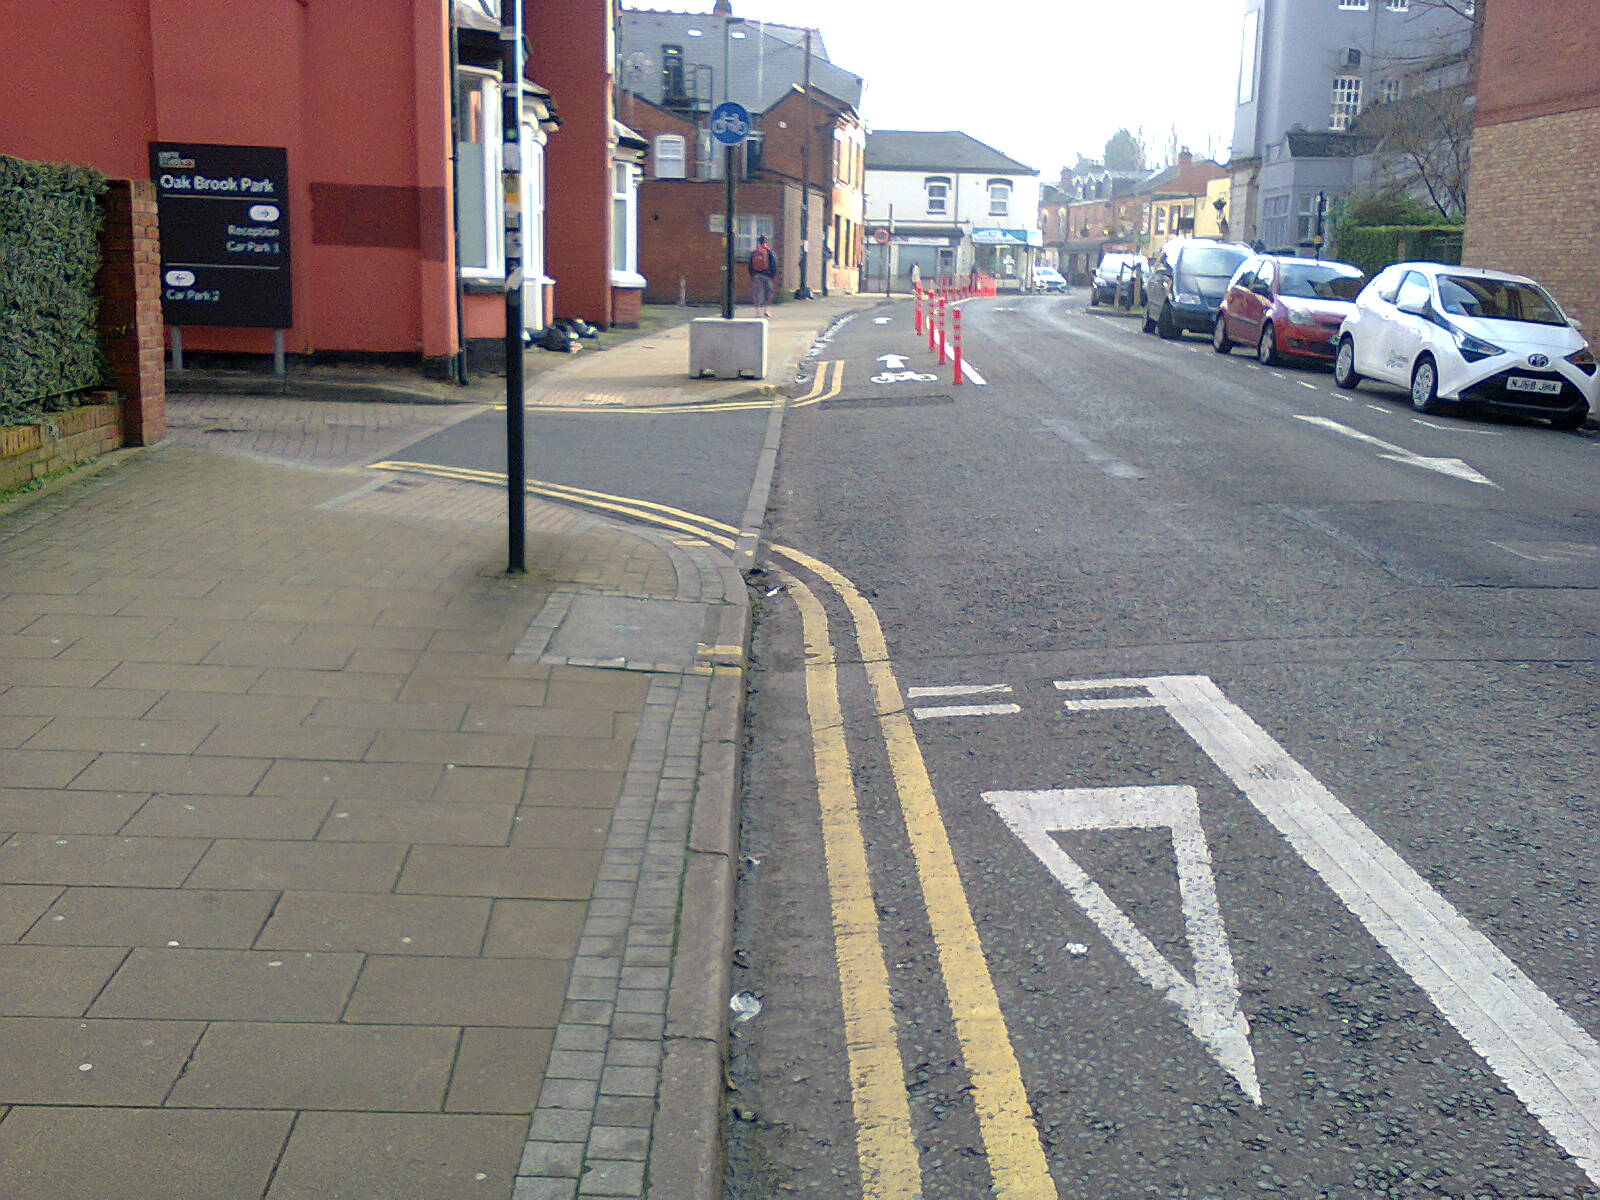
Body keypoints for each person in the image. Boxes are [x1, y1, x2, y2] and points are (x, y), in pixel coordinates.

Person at [748, 235, 777, 317]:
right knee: (768, 293)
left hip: (756, 275)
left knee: (757, 293)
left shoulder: (755, 252)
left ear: (758, 242)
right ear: (766, 242)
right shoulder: (769, 252)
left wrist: (753, 275)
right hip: (767, 275)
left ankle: (757, 312)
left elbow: (750, 265)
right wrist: (772, 275)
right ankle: (766, 310)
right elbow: (774, 264)